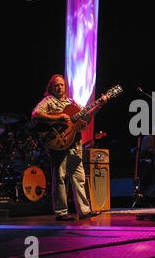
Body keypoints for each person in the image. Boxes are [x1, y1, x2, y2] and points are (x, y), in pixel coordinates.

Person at [31, 74, 108, 221]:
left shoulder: (72, 103)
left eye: (61, 85)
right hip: (58, 144)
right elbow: (35, 115)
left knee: (79, 178)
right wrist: (57, 118)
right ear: (51, 88)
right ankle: (61, 212)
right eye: (56, 85)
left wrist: (99, 105)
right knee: (59, 177)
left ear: (65, 87)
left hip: (74, 145)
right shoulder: (48, 101)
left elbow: (86, 117)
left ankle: (84, 211)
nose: (59, 87)